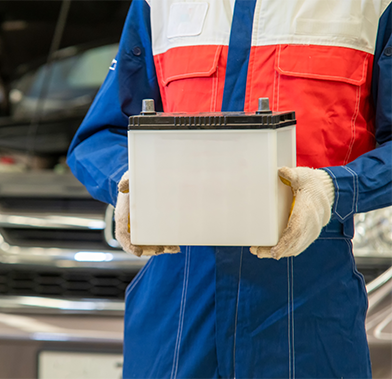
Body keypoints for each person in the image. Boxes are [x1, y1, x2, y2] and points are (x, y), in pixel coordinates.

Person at [67, 1, 392, 378]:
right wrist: (127, 181)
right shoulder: (160, 6)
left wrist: (334, 189)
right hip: (177, 300)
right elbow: (99, 136)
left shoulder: (371, 6)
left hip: (307, 304)